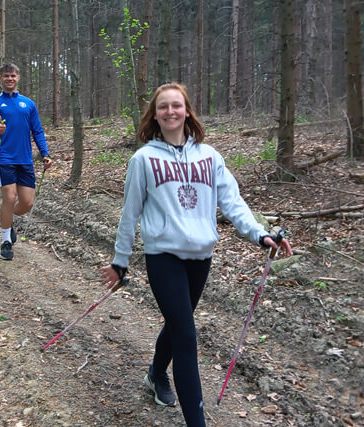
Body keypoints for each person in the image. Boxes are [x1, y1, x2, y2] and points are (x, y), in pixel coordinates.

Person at [99, 83, 292, 426]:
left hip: (201, 257)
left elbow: (232, 202)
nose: (170, 112)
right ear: (154, 115)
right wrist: (120, 260)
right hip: (163, 257)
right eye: (163, 107)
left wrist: (260, 234)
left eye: (177, 106)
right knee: (187, 335)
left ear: (187, 111)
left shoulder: (209, 156)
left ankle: (156, 374)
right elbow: (130, 214)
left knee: (178, 325)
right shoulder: (143, 159)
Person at [0, 63, 53, 260]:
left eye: (13, 75)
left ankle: (7, 218)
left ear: (18, 78)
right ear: (0, 79)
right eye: (6, 76)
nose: (9, 79)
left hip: (25, 159)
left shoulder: (28, 104)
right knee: (9, 197)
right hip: (4, 157)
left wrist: (45, 154)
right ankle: (5, 241)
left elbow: (37, 130)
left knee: (27, 203)